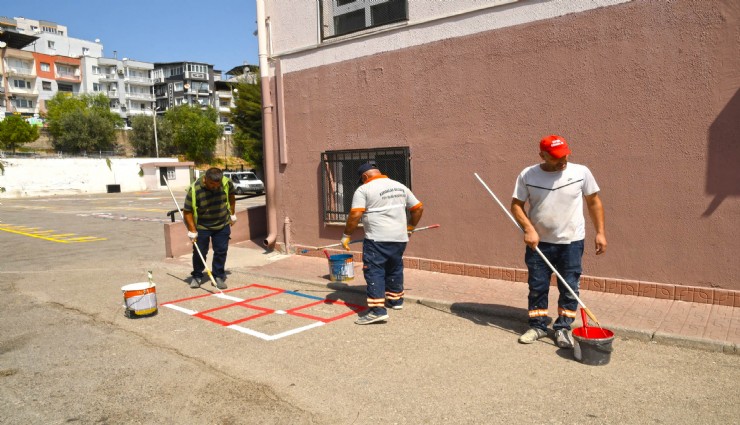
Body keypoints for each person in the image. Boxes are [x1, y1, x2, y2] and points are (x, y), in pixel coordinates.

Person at [510, 135, 606, 348]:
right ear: (542, 155)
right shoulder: (528, 174)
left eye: (564, 155)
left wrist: (600, 232)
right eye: (555, 157)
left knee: (569, 286)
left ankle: (563, 328)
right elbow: (516, 205)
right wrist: (528, 229)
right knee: (537, 286)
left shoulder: (581, 172)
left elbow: (594, 202)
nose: (562, 160)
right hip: (539, 243)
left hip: (571, 242)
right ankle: (538, 326)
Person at [341, 161, 424, 325]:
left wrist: (346, 235)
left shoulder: (364, 189)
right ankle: (395, 300)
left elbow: (356, 214)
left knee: (374, 271)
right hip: (400, 238)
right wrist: (411, 226)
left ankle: (377, 311)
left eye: (362, 179)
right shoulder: (399, 186)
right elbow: (418, 208)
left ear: (364, 176)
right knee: (394, 267)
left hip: (377, 238)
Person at [183, 167, 237, 290]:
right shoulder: (195, 189)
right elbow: (187, 211)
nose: (215, 186)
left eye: (217, 184)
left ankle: (218, 276)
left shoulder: (226, 183)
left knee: (221, 251)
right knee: (199, 252)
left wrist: (232, 214)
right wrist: (192, 230)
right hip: (202, 226)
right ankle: (197, 276)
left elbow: (232, 196)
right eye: (212, 184)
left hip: (222, 224)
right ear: (205, 179)